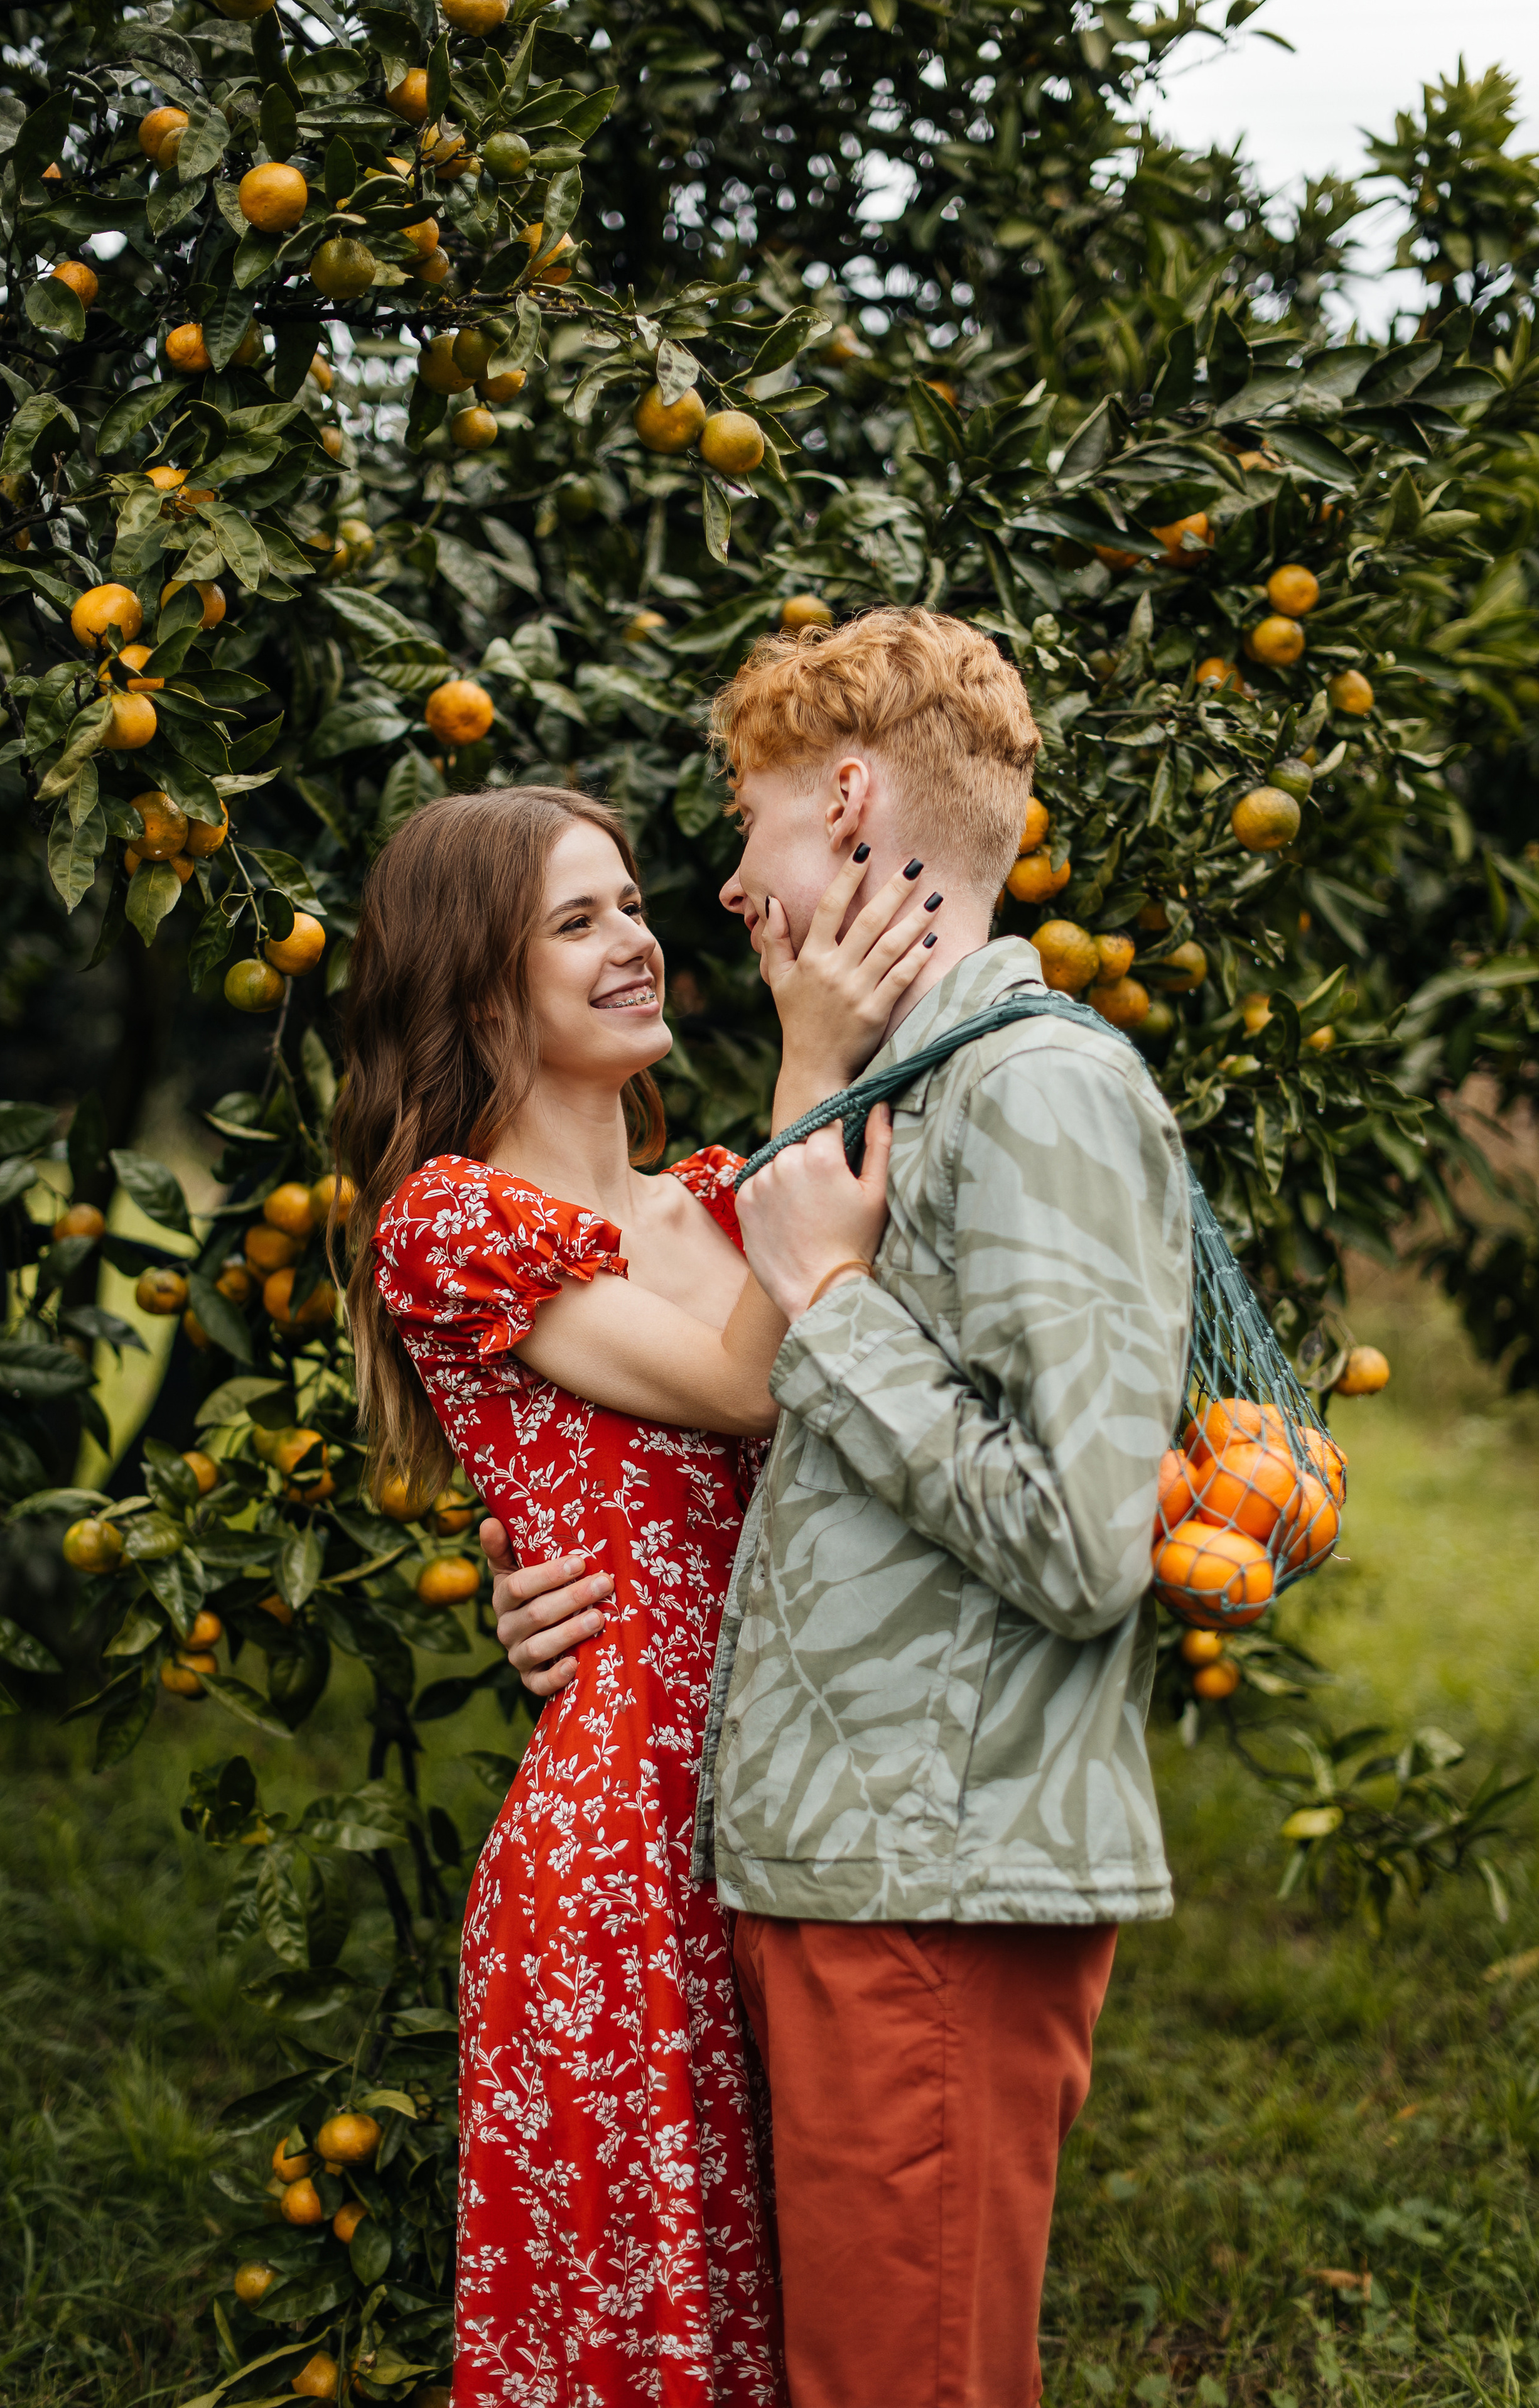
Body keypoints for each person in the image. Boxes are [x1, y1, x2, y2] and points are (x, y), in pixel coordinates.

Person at [488, 609, 1194, 2408]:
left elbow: (1085, 1539)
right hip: (855, 1864)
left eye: (749, 823)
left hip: (932, 1876)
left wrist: (829, 1306)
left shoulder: (1037, 1088)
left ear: (854, 795)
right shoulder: (912, 1093)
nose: (722, 886)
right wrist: (557, 1581)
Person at [332, 783, 931, 2408]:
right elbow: (748, 1387)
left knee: (810, 2299)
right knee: (649, 2328)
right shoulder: (454, 1223)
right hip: (624, 1853)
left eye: (635, 904)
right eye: (576, 920)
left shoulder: (733, 1195)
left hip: (791, 1811)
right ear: (474, 989)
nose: (637, 942)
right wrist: (813, 1047)